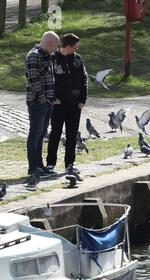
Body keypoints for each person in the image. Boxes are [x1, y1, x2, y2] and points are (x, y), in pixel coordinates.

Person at [46, 33, 88, 174]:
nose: (77, 48)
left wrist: (83, 99)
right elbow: (47, 80)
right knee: (55, 134)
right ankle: (50, 164)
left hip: (75, 105)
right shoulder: (53, 58)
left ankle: (69, 164)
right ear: (69, 46)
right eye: (76, 46)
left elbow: (84, 80)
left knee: (72, 135)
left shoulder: (78, 59)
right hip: (58, 104)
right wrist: (52, 97)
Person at [25, 31, 60, 178]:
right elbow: (34, 81)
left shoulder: (47, 56)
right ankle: (33, 167)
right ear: (49, 43)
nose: (56, 49)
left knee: (41, 135)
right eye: (55, 46)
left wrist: (51, 98)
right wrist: (44, 98)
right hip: (37, 102)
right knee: (35, 134)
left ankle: (40, 165)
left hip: (47, 101)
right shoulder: (34, 56)